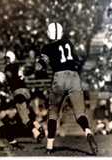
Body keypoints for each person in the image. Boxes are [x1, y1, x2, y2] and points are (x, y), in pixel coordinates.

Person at [37, 22, 98, 155]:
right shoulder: (68, 43)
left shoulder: (47, 47)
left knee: (53, 113)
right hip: (74, 77)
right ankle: (88, 131)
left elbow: (42, 64)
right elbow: (75, 59)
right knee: (80, 113)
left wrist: (37, 66)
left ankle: (49, 146)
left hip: (60, 76)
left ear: (50, 32)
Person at [4, 50, 45, 142]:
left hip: (18, 93)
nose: (6, 60)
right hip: (26, 91)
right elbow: (27, 72)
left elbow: (9, 77)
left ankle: (37, 133)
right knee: (26, 116)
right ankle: (38, 127)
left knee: (24, 119)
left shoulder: (8, 67)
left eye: (7, 58)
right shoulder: (19, 66)